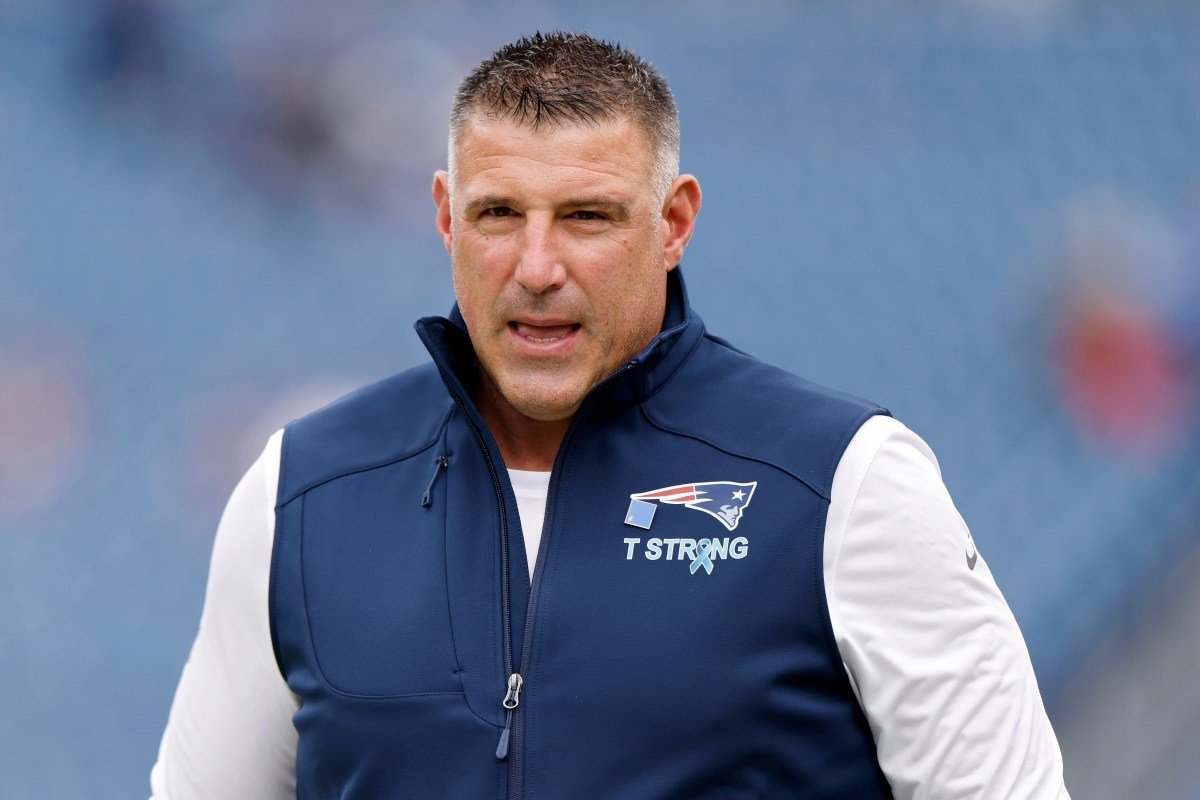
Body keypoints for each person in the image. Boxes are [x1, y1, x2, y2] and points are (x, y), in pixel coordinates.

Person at [150, 31, 1070, 799]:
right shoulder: (300, 496)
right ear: (445, 217)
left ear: (673, 223)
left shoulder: (844, 484)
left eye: (586, 216)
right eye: (498, 213)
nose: (537, 267)